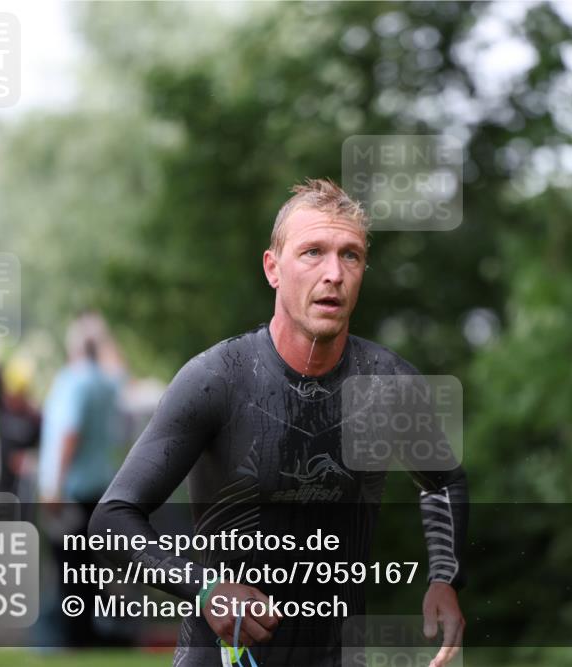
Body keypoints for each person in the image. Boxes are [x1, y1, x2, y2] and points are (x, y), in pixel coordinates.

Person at [89, 179, 468, 666]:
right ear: (273, 268)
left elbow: (443, 482)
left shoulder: (388, 384)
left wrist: (445, 579)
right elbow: (111, 519)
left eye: (350, 256)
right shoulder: (217, 379)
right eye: (313, 252)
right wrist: (205, 589)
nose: (334, 273)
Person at [39, 313, 125, 647]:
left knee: (69, 567)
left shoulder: (74, 381)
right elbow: (120, 370)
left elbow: (69, 434)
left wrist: (54, 487)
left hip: (73, 490)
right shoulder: (106, 383)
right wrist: (102, 337)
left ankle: (74, 638)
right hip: (99, 487)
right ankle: (90, 634)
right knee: (87, 568)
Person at [0, 357, 41, 499]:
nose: (12, 399)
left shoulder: (34, 418)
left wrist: (28, 459)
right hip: (2, 491)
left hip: (25, 493)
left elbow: (44, 450)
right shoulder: (2, 410)